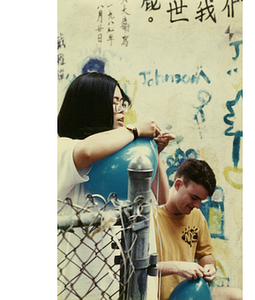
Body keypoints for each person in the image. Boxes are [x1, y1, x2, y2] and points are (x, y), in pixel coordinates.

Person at [57, 72, 174, 299]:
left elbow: (162, 197)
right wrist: (134, 131)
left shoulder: (124, 151)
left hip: (126, 282)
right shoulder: (62, 147)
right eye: (114, 103)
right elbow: (87, 151)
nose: (121, 109)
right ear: (91, 106)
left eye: (122, 102)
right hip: (83, 285)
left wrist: (153, 152)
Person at [152, 158, 242, 300]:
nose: (198, 205)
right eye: (194, 197)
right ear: (178, 184)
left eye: (201, 200)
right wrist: (176, 267)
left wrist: (210, 267)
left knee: (238, 296)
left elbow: (205, 254)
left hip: (190, 295)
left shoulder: (196, 215)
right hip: (153, 296)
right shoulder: (149, 215)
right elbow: (135, 269)